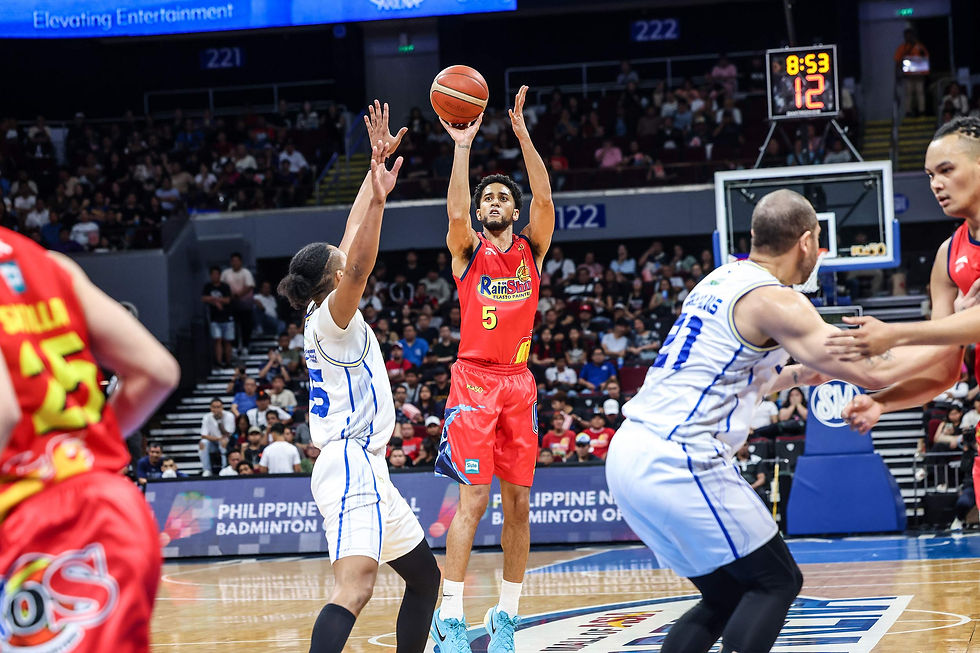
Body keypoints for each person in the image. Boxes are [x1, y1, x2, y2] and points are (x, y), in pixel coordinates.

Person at [604, 189, 952, 653]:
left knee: (726, 594)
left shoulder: (718, 280)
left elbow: (742, 378)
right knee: (777, 581)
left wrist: (799, 373)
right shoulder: (779, 301)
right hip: (677, 458)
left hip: (630, 454)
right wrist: (950, 341)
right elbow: (875, 372)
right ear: (806, 242)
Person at [275, 101, 439, 653]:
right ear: (332, 280)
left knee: (424, 577)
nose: (344, 259)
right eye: (338, 264)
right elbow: (361, 260)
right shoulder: (332, 319)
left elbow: (349, 241)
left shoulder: (324, 312)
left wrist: (374, 179)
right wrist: (379, 201)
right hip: (348, 461)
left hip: (366, 467)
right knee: (356, 588)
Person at [0, 226, 180, 651]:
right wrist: (80, 452)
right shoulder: (49, 263)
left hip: (41, 521)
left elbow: (4, 413)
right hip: (111, 507)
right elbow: (157, 372)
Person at [431, 85, 555, 653]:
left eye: (504, 197)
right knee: (474, 501)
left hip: (520, 384)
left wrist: (524, 134)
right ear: (482, 215)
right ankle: (449, 616)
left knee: (519, 505)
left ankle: (505, 616)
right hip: (474, 381)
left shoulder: (531, 248)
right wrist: (463, 146)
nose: (496, 204)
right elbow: (455, 209)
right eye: (490, 200)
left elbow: (545, 200)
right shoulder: (468, 252)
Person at [221, 252, 256, 355]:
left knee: (246, 326)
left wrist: (237, 296)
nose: (235, 263)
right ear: (231, 262)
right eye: (233, 261)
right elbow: (222, 286)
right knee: (233, 327)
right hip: (231, 306)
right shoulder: (226, 273)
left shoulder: (246, 272)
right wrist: (229, 297)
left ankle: (245, 346)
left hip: (245, 306)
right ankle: (235, 346)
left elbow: (249, 286)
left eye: (237, 261)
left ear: (241, 262)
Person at [201, 265, 234, 367]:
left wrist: (215, 300)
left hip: (227, 317)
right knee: (217, 340)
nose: (215, 276)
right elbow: (203, 298)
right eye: (213, 274)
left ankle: (228, 362)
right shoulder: (208, 287)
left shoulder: (225, 286)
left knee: (227, 341)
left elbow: (228, 300)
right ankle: (219, 362)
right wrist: (217, 302)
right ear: (210, 276)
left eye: (217, 274)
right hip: (214, 319)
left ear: (220, 275)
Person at [894, 28, 929, 117]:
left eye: (910, 35)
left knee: (920, 92)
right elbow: (897, 61)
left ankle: (922, 111)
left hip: (919, 75)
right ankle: (908, 111)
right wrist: (897, 73)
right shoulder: (902, 47)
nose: (908, 37)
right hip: (908, 75)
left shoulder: (919, 46)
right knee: (909, 93)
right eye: (906, 35)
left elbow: (925, 58)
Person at [200, 396, 234, 476]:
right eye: (214, 407)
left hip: (226, 442)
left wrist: (219, 422)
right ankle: (206, 469)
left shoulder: (229, 416)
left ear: (222, 407)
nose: (216, 409)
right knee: (203, 443)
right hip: (213, 442)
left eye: (218, 407)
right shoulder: (206, 417)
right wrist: (218, 439)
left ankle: (224, 468)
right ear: (210, 408)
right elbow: (204, 435)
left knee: (223, 441)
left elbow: (228, 434)